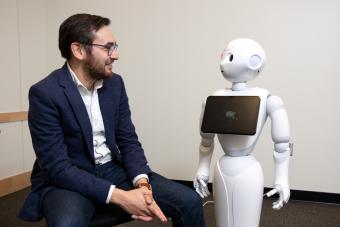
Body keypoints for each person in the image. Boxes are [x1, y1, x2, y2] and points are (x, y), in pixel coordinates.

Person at [19, 13, 205, 227]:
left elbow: (127, 140)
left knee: (190, 201)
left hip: (112, 169)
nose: (115, 55)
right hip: (68, 178)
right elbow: (58, 168)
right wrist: (122, 197)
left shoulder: (115, 84)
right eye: (108, 47)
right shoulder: (45, 93)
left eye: (115, 46)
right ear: (78, 50)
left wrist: (142, 184)